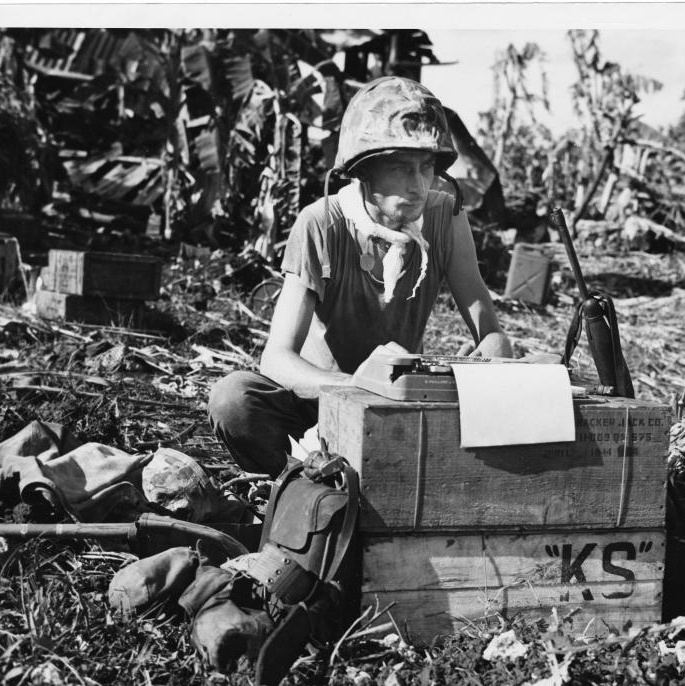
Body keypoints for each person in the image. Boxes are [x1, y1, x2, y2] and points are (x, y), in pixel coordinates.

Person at [208, 76, 512, 476]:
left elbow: (490, 333)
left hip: (397, 406)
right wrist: (355, 388)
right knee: (233, 400)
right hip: (319, 400)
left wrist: (493, 353)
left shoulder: (446, 217)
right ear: (363, 170)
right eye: (401, 167)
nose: (418, 184)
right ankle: (304, 479)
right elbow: (278, 359)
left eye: (426, 167)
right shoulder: (322, 223)